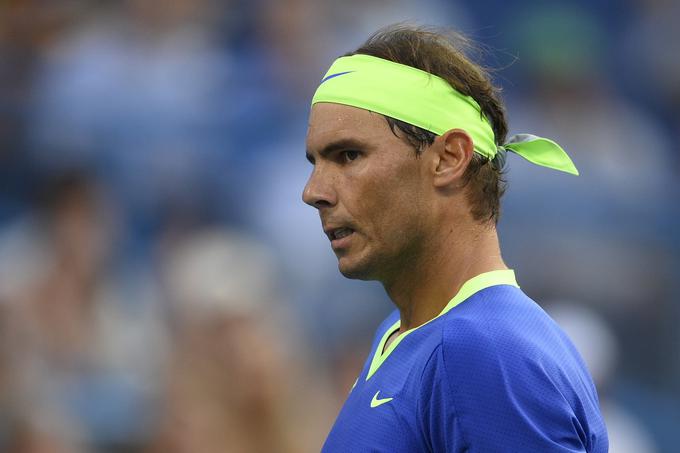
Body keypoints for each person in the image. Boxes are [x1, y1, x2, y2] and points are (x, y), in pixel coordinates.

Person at [302, 25, 608, 452]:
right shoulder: (402, 332)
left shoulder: (485, 352)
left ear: (449, 159)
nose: (313, 191)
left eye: (348, 155)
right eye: (315, 161)